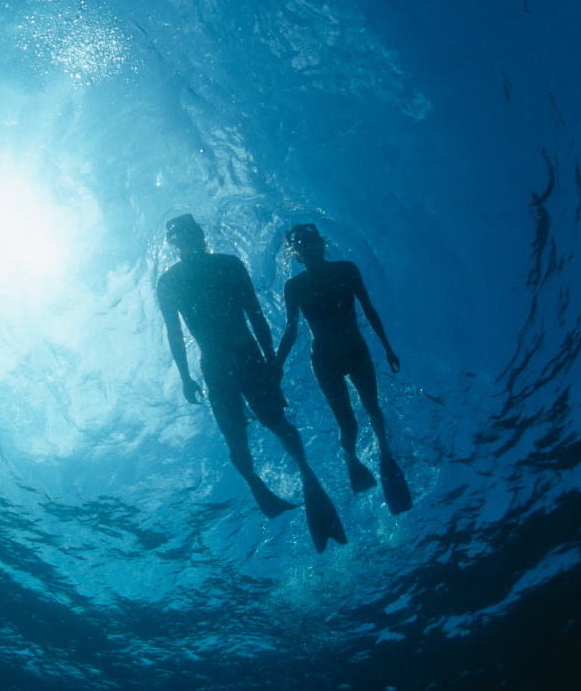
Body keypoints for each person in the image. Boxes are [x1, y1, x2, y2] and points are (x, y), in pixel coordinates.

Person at [157, 214, 347, 552]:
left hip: (244, 359)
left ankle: (306, 476)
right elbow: (175, 332)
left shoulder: (223, 267)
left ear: (200, 235)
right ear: (177, 243)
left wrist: (272, 361)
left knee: (274, 423)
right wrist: (185, 377)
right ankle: (261, 485)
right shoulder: (173, 281)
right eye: (183, 236)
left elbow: (255, 313)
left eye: (193, 233)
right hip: (221, 365)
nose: (190, 239)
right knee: (237, 437)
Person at [275, 223, 412, 515]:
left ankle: (384, 452)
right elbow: (291, 331)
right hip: (324, 361)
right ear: (296, 253)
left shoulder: (346, 270)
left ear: (320, 244)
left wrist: (387, 347)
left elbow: (368, 308)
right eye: (301, 244)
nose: (308, 247)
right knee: (348, 425)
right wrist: (277, 367)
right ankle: (350, 458)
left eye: (310, 241)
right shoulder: (294, 287)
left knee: (373, 409)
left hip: (357, 352)